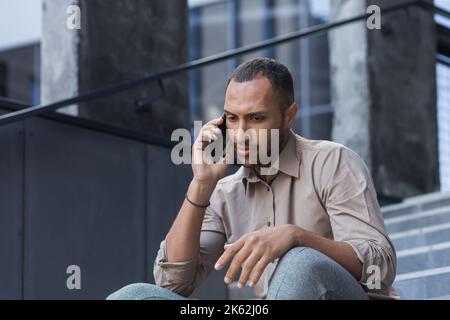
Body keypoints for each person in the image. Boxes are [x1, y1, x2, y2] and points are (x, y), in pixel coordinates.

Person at [107, 57, 398, 300]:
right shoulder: (224, 192)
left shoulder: (333, 161)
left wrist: (295, 237)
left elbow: (379, 266)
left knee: (300, 262)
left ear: (289, 115)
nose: (240, 134)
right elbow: (173, 285)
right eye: (232, 119)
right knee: (134, 297)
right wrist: (201, 185)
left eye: (256, 119)